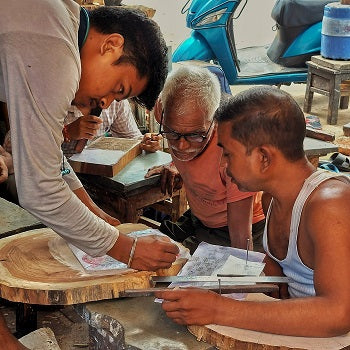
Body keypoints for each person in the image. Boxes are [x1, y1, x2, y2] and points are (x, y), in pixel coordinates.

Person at [1, 2, 178, 348]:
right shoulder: (57, 52)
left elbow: (49, 159)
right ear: (110, 45)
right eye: (119, 89)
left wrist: (102, 218)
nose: (106, 102)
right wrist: (126, 249)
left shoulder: (57, 21)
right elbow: (39, 188)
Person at [156, 86, 350, 337]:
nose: (224, 165)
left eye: (228, 153)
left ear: (263, 158)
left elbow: (340, 313)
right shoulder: (272, 200)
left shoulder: (329, 204)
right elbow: (287, 276)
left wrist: (219, 309)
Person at [146, 66, 265, 253]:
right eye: (172, 133)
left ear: (215, 120)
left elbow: (241, 237)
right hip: (199, 216)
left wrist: (242, 271)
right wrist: (174, 164)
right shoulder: (164, 110)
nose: (182, 147)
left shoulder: (234, 153)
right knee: (152, 247)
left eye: (195, 135)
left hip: (233, 227)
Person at [62, 100, 162, 157]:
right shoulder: (59, 98)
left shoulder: (117, 102)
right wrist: (67, 132)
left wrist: (146, 142)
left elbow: (131, 138)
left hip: (96, 170)